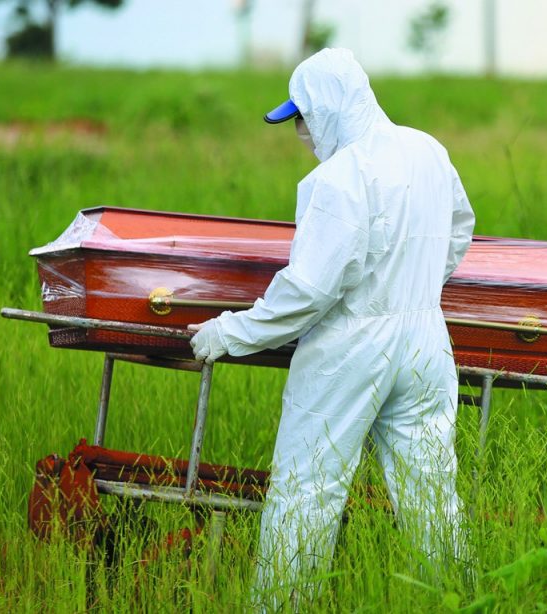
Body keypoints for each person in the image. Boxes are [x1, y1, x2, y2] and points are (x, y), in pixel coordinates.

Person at [190, 48, 476, 606]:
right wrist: (412, 283)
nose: (301, 131)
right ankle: (460, 601)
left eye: (302, 118)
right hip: (426, 343)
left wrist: (232, 332)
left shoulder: (338, 178)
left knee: (307, 491)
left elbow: (310, 291)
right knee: (432, 495)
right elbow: (460, 228)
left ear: (327, 107)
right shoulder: (428, 151)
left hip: (350, 347)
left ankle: (280, 606)